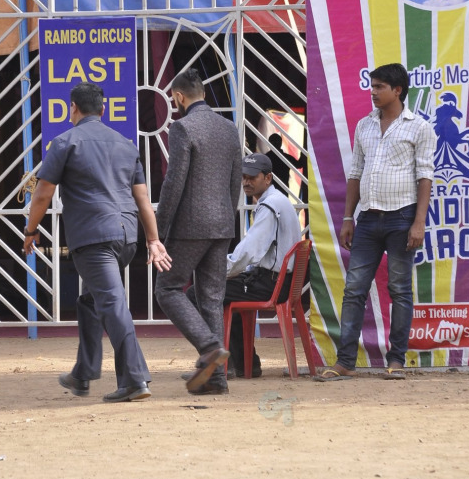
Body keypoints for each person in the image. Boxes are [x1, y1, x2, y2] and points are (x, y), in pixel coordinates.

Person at [23, 82, 171, 403]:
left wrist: (31, 231)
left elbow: (44, 192)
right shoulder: (126, 144)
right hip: (126, 236)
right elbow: (143, 199)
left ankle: (134, 379)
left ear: (72, 108)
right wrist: (153, 240)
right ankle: (83, 373)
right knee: (91, 301)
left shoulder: (64, 143)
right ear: (103, 110)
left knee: (112, 303)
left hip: (93, 238)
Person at [315, 63, 436, 382]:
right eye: (372, 86)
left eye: (379, 86)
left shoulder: (419, 127)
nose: (372, 92)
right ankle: (344, 362)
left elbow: (425, 176)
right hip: (367, 219)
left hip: (403, 217)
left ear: (397, 90)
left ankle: (396, 360)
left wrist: (419, 222)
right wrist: (347, 218)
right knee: (353, 288)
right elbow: (355, 173)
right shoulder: (364, 126)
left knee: (399, 289)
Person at [155, 68, 242, 395]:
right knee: (211, 298)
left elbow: (174, 183)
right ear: (202, 92)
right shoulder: (229, 128)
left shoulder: (182, 127)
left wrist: (160, 232)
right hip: (222, 224)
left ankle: (208, 347)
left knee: (167, 289)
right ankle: (216, 379)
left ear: (178, 97)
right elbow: (235, 183)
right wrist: (225, 217)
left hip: (190, 225)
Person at [186, 152, 302, 378]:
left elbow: (248, 252)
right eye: (244, 177)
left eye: (252, 177)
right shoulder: (277, 201)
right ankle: (244, 363)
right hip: (276, 280)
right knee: (227, 294)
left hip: (271, 283)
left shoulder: (270, 206)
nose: (246, 182)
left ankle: (218, 364)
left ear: (267, 178)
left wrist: (218, 271)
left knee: (199, 292)